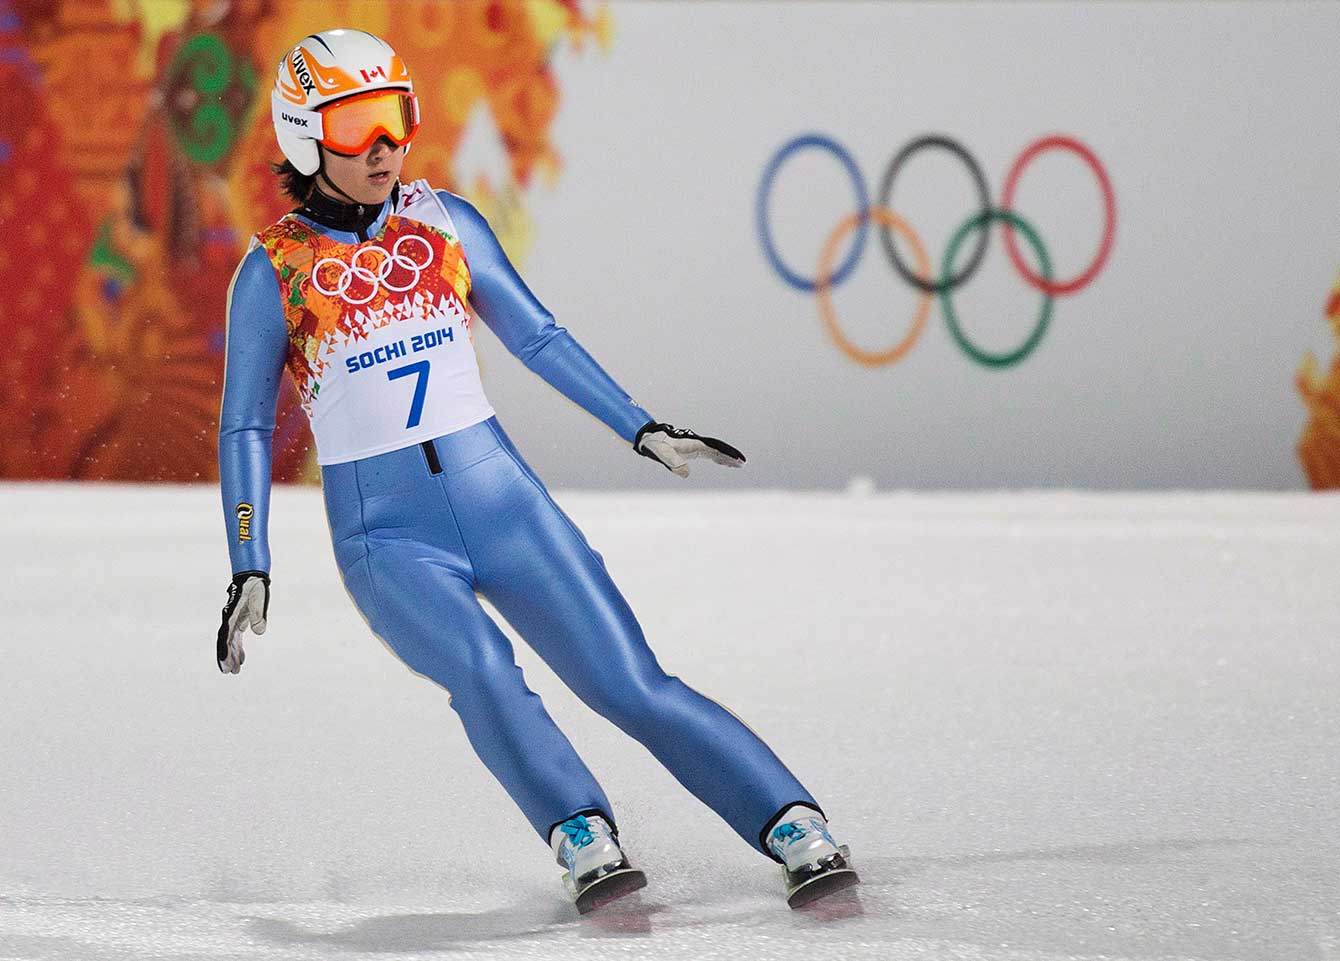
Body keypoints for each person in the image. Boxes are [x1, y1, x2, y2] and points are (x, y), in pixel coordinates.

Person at [215, 28, 858, 912]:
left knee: (629, 681)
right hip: (386, 539)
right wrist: (249, 560)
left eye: (396, 117)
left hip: (505, 504)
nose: (384, 146)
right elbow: (245, 424)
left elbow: (538, 336)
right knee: (480, 669)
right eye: (356, 124)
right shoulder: (272, 271)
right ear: (301, 135)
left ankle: (788, 818)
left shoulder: (446, 221)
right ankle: (578, 830)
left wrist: (641, 427)